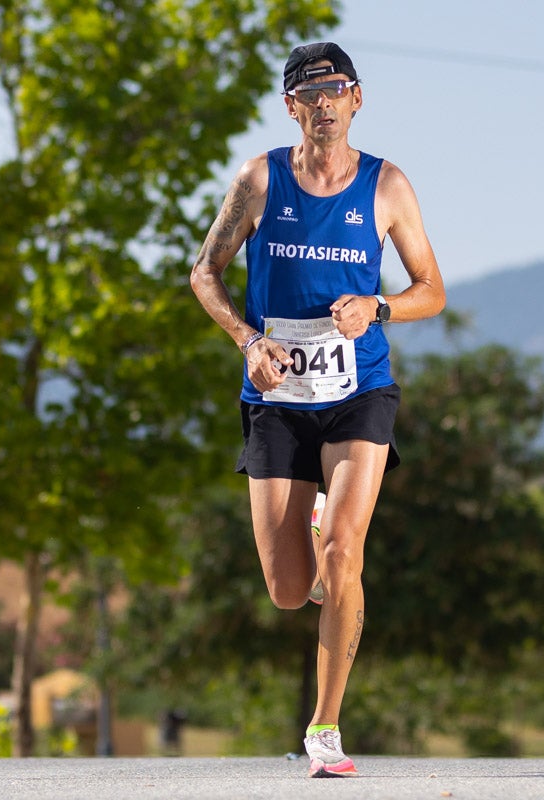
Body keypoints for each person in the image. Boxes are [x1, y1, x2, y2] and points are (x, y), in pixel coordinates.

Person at [190, 42, 446, 777]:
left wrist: (381, 305)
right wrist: (246, 341)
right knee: (288, 588)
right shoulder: (261, 180)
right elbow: (205, 273)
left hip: (358, 391)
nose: (325, 103)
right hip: (276, 398)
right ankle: (313, 522)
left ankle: (325, 729)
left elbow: (431, 288)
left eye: (337, 90)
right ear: (291, 107)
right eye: (311, 94)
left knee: (344, 553)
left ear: (357, 99)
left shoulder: (386, 185)